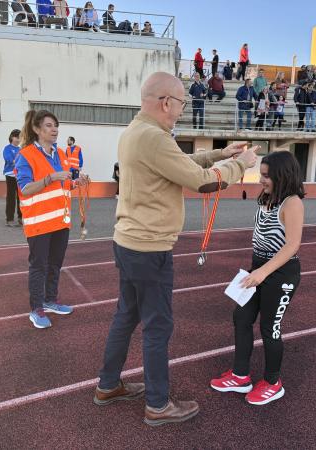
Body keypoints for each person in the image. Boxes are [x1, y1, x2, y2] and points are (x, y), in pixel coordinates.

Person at [93, 72, 258, 425]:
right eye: (182, 103)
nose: (183, 110)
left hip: (129, 242)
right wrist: (238, 165)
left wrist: (219, 153)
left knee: (126, 316)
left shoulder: (136, 132)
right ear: (166, 102)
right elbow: (199, 181)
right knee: (158, 326)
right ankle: (158, 404)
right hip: (149, 249)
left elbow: (178, 164)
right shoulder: (154, 138)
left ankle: (108, 385)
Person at [210, 151, 304, 405]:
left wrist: (263, 272)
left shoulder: (292, 202)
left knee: (269, 327)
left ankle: (273, 382)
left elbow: (292, 244)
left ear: (282, 175)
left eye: (266, 176)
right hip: (258, 267)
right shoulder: (266, 196)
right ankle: (240, 376)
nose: (261, 180)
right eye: (260, 174)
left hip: (280, 273)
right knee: (241, 317)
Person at [14, 110, 88, 328]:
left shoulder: (62, 154)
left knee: (55, 264)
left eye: (56, 125)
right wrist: (50, 178)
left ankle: (50, 300)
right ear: (37, 129)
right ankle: (36, 308)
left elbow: (64, 184)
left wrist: (77, 182)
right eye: (48, 125)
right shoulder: (25, 155)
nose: (54, 129)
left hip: (60, 221)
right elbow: (25, 188)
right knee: (39, 266)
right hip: (39, 222)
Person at [3, 129, 22, 227]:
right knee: (11, 197)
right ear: (11, 137)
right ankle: (9, 219)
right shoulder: (7, 148)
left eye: (20, 137)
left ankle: (20, 218)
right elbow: (10, 160)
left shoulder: (20, 149)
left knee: (21, 197)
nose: (18, 139)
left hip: (19, 176)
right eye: (17, 137)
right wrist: (18, 161)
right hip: (10, 175)